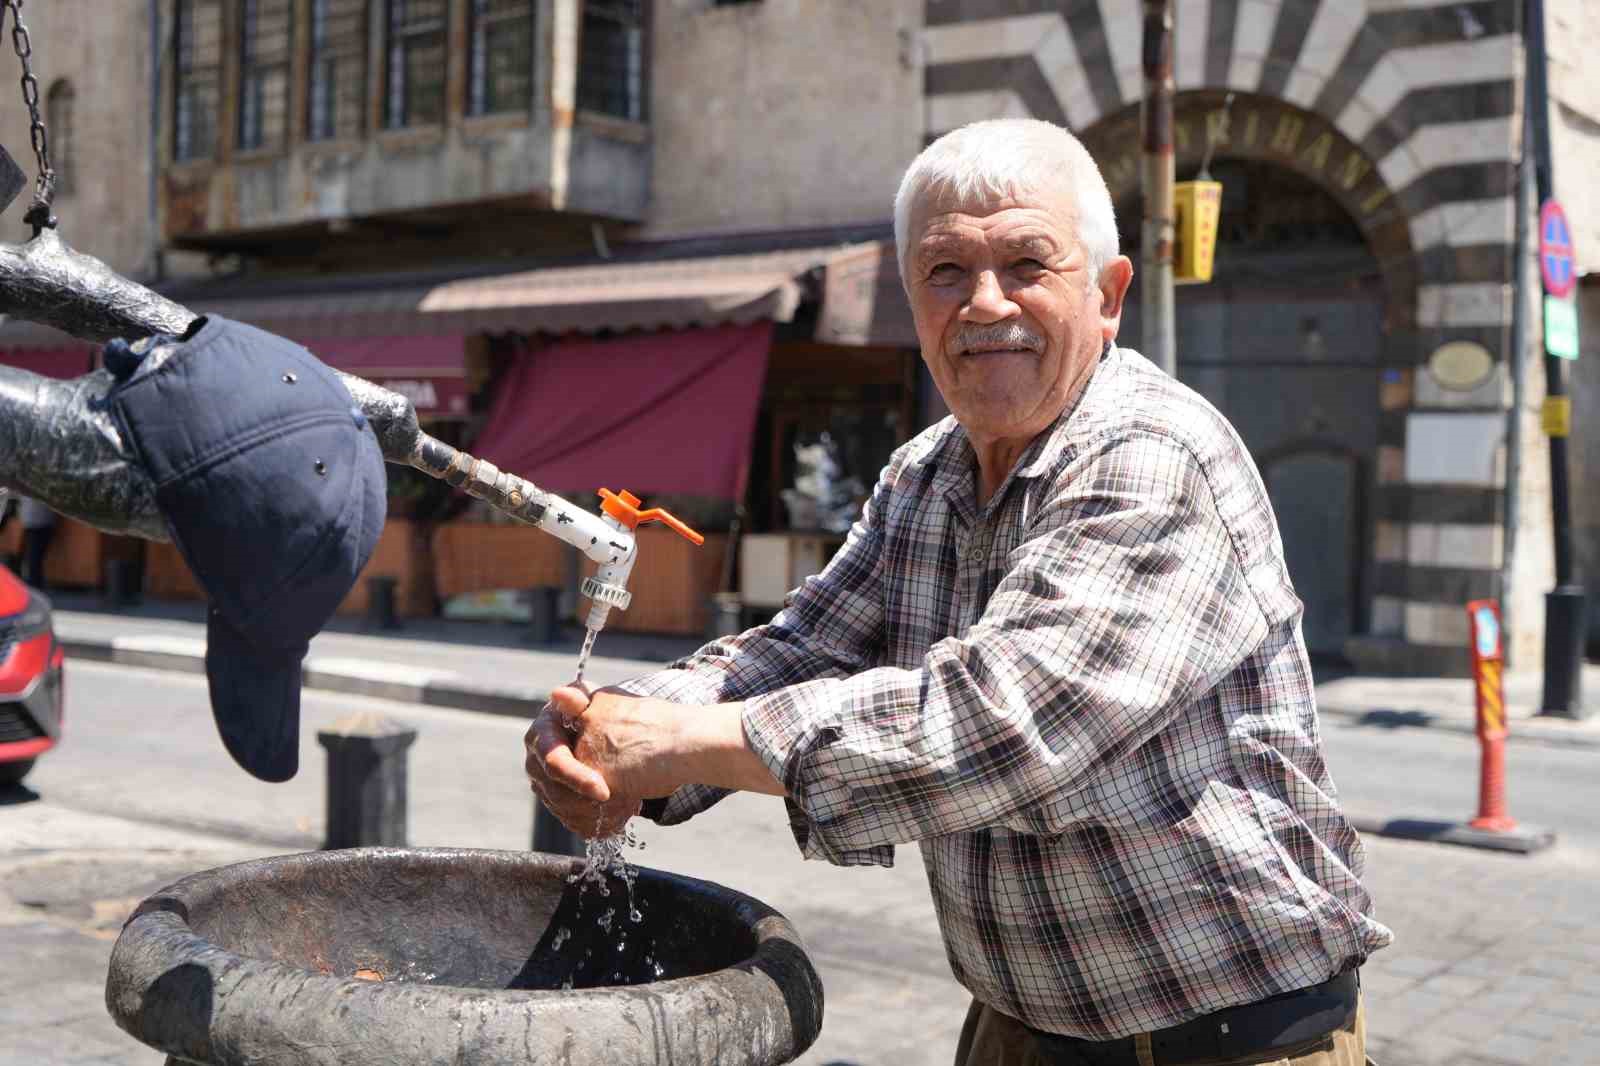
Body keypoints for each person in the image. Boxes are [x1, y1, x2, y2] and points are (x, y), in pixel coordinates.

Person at [526, 118, 1390, 1066]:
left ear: (1108, 297)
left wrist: (679, 743)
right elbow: (807, 645)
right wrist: (623, 726)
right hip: (1022, 1026)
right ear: (912, 300)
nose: (984, 305)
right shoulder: (924, 472)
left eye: (1027, 264)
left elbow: (999, 728)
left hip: (1230, 1040)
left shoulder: (1154, 454)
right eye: (946, 272)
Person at [18, 495, 57, 588]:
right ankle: (33, 587)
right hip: (34, 522)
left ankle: (34, 588)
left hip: (37, 523)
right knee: (33, 560)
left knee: (34, 560)